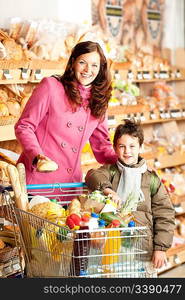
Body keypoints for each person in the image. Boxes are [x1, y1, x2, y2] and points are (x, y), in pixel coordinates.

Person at [15, 41, 118, 186]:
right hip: (38, 179)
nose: (88, 69)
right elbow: (24, 126)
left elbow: (102, 147)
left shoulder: (99, 100)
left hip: (70, 184)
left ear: (101, 69)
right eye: (83, 62)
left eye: (95, 65)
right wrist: (37, 156)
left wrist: (126, 161)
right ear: (73, 62)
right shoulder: (51, 86)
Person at [85, 119, 175, 274]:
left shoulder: (150, 179)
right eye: (122, 146)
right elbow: (92, 175)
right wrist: (108, 190)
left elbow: (165, 213)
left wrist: (161, 248)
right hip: (113, 248)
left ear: (140, 147)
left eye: (132, 146)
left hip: (143, 250)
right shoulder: (111, 172)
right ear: (114, 148)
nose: (127, 151)